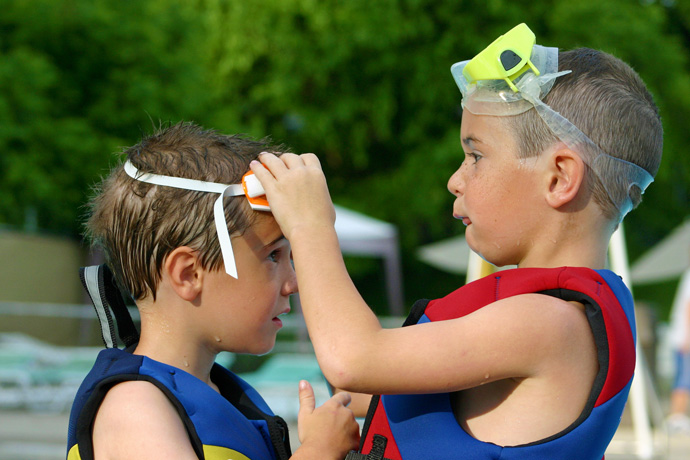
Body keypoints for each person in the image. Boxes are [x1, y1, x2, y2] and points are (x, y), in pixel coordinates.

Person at [250, 23, 663, 459]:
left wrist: (310, 224)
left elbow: (353, 360)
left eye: (476, 156)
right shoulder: (538, 319)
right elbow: (377, 384)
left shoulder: (550, 324)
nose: (454, 180)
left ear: (559, 177)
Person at [66, 122, 360, 460]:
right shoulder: (133, 408)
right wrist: (320, 451)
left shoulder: (217, 396)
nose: (293, 282)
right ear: (189, 274)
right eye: (273, 255)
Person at [668, 253, 690, 434]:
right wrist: (688, 336)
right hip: (685, 338)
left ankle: (679, 416)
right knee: (684, 378)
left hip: (682, 336)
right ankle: (676, 417)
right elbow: (688, 307)